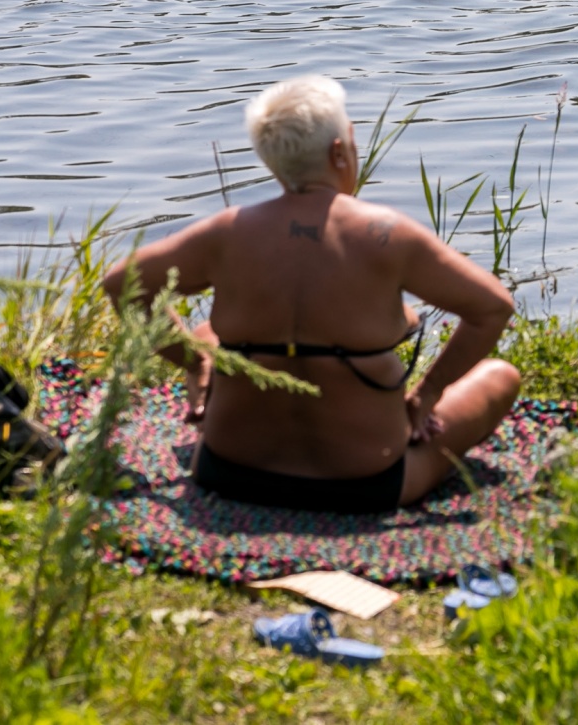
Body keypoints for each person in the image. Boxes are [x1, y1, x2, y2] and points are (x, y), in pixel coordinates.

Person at [101, 76, 520, 513]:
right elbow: (493, 308)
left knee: (209, 334)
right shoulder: (387, 234)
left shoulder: (227, 232)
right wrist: (428, 394)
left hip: (228, 471)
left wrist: (193, 362)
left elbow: (120, 283)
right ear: (339, 151)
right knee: (500, 376)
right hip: (367, 483)